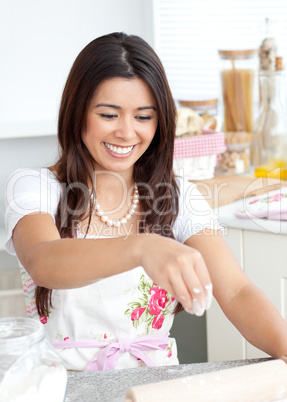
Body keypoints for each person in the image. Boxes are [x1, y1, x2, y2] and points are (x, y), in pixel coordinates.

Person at [5, 32, 287, 371]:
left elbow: (237, 291)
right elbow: (43, 260)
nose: (127, 132)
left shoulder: (177, 197)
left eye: (143, 116)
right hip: (63, 386)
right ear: (77, 113)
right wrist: (142, 247)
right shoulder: (36, 187)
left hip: (156, 383)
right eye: (109, 115)